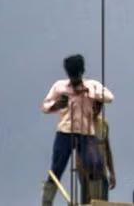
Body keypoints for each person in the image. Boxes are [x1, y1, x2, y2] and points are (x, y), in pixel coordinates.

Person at [40, 54, 114, 205]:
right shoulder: (60, 86)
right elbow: (45, 106)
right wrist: (57, 105)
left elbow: (109, 97)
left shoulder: (92, 85)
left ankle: (96, 201)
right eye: (72, 77)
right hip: (65, 132)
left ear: (82, 72)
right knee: (57, 167)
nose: (74, 81)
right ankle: (46, 202)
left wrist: (89, 93)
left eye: (76, 76)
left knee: (95, 164)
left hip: (86, 133)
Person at [78, 100, 116, 202]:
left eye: (99, 106)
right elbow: (78, 154)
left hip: (102, 171)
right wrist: (84, 177)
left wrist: (112, 173)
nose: (96, 109)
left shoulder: (104, 124)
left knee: (102, 201)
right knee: (89, 201)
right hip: (87, 172)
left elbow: (107, 150)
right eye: (94, 106)